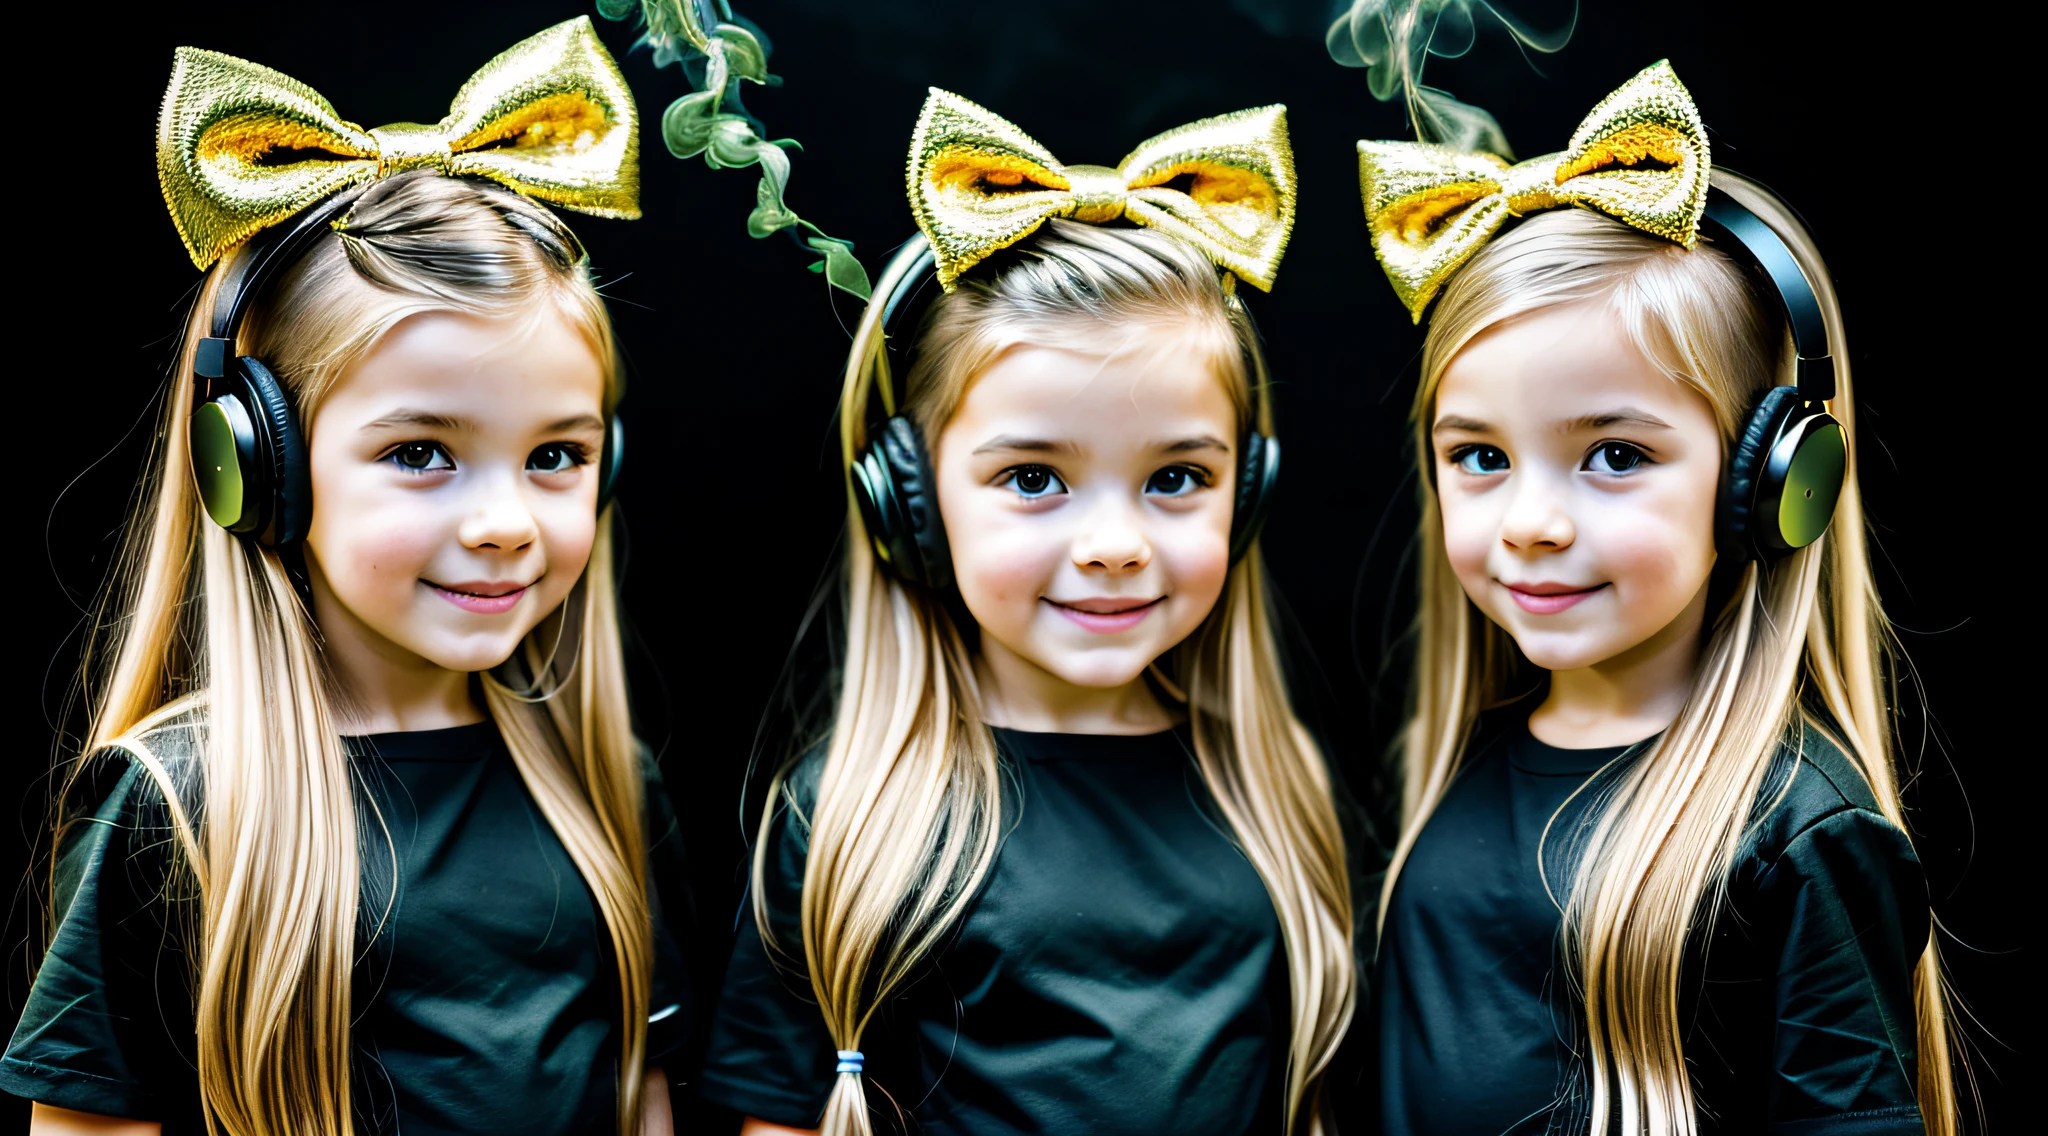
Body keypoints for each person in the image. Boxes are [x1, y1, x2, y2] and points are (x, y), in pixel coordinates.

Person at [2, 19, 691, 1135]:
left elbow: (643, 1096)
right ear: (255, 464)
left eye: (556, 454)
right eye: (421, 452)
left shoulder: (604, 778)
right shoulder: (173, 804)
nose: (508, 522)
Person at [698, 89, 1356, 1136]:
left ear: (1250, 497)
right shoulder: (852, 816)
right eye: (1035, 478)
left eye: (1176, 477)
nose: (1113, 542)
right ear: (908, 500)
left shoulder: (1280, 791)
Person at [1355, 60, 1959, 1134]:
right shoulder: (1453, 764)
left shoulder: (1793, 833)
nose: (1530, 519)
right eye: (1479, 455)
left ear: (1771, 482)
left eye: (1615, 454)